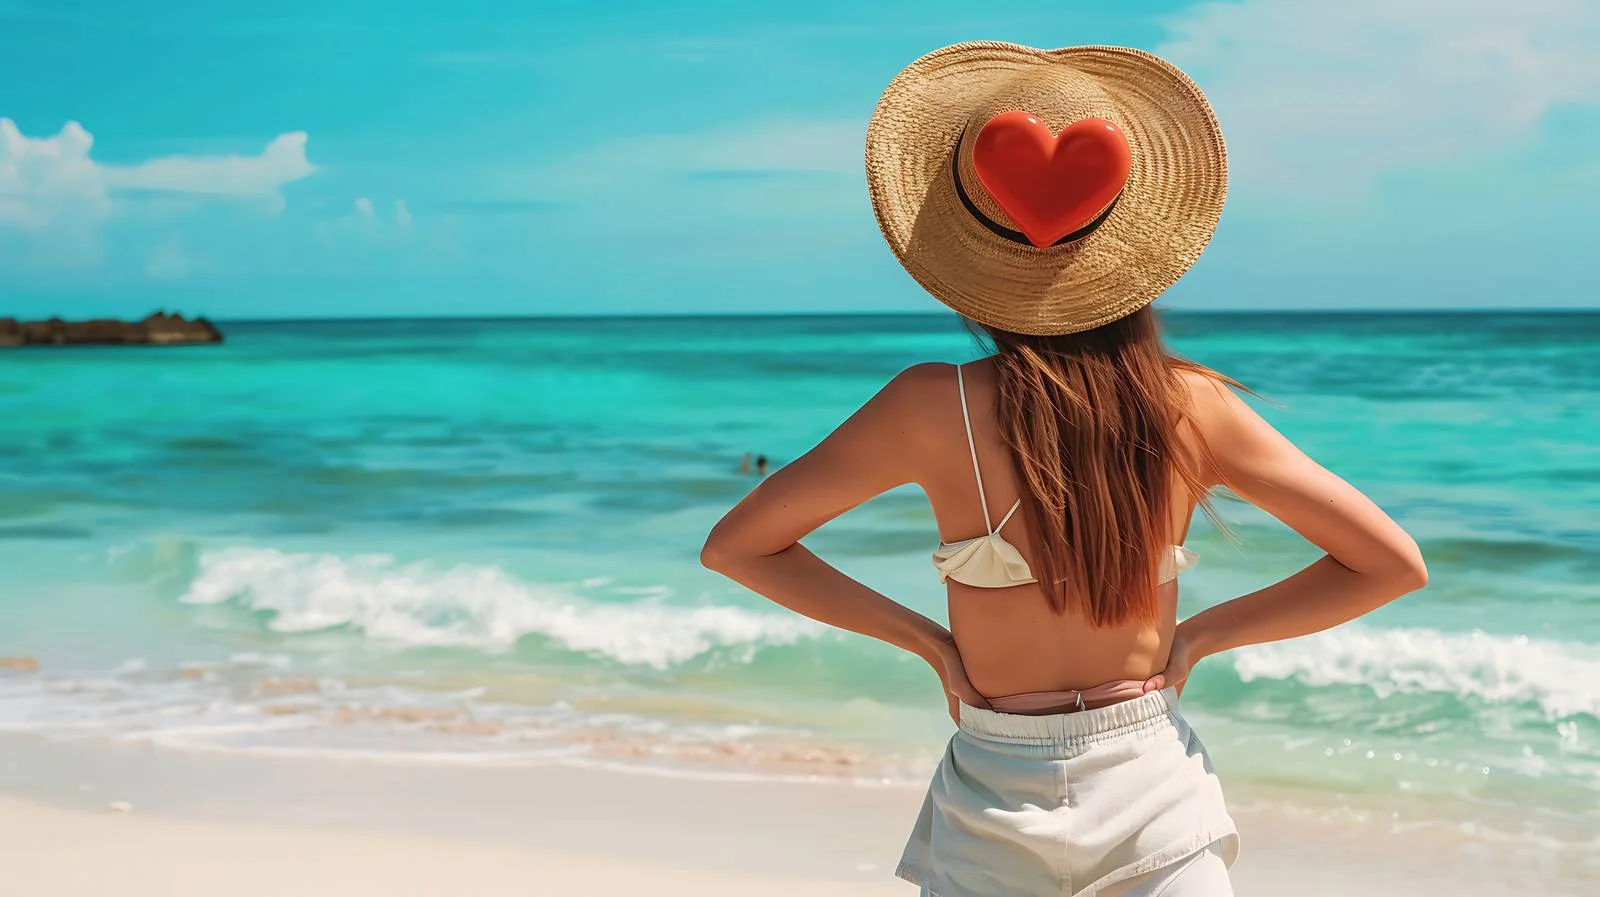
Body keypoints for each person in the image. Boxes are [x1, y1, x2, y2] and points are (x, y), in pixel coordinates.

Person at [701, 41, 1427, 897]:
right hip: (1151, 786)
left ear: (971, 255)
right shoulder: (1190, 405)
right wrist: (1200, 635)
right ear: (1134, 248)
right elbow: (1390, 563)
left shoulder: (930, 406)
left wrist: (933, 647)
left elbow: (740, 546)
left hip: (990, 796)